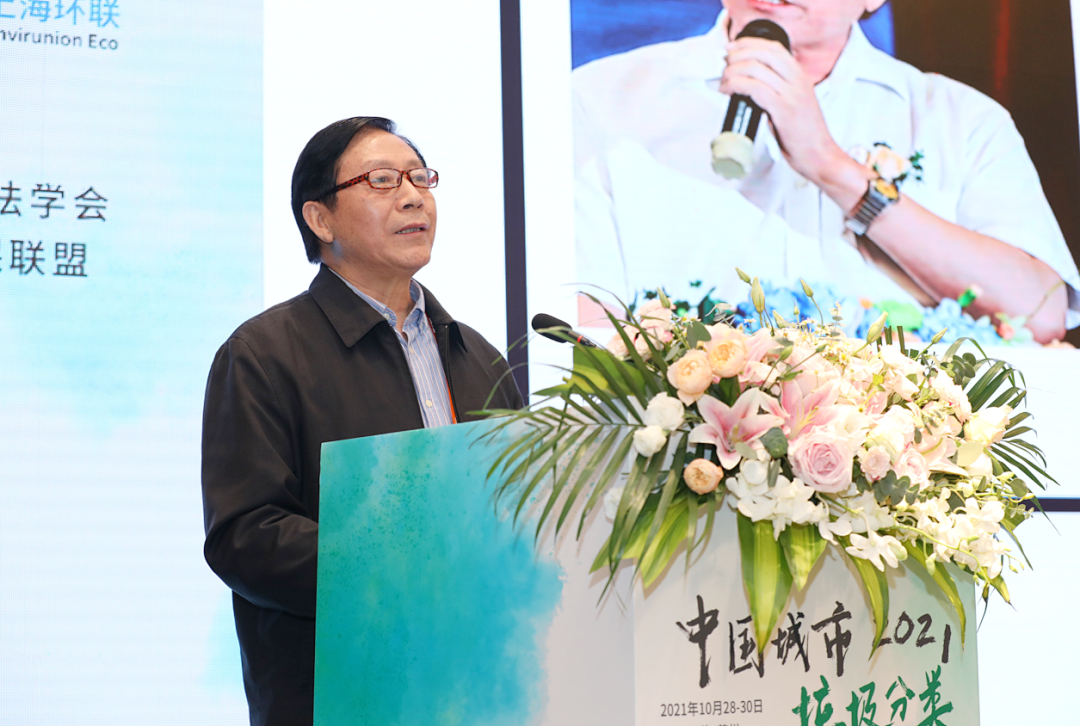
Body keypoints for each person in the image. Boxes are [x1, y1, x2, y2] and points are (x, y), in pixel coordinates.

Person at [200, 117, 522, 726]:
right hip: (342, 694)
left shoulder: (477, 355)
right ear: (320, 220)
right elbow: (245, 536)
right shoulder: (264, 354)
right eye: (381, 180)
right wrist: (402, 564)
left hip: (481, 688)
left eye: (420, 178)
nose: (413, 196)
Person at [573, 0, 1080, 343]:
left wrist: (831, 166)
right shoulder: (602, 99)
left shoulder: (959, 119)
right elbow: (572, 321)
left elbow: (1040, 314)